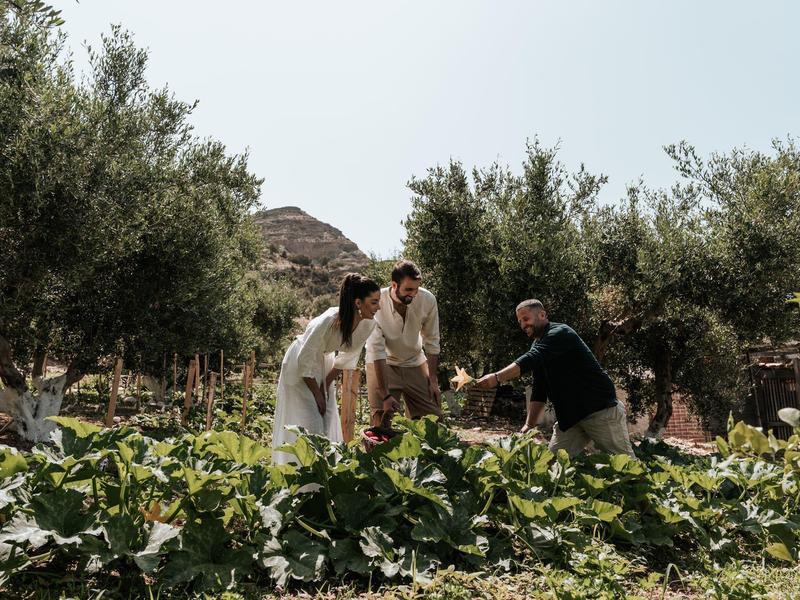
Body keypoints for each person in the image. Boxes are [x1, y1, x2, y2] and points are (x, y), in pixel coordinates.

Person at [475, 299, 635, 458]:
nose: (523, 325)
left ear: (542, 315)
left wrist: (497, 378)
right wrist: (529, 424)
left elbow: (530, 359)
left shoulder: (560, 333)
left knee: (628, 468)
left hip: (599, 411)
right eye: (519, 322)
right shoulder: (537, 345)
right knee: (552, 466)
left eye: (526, 319)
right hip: (571, 419)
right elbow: (539, 389)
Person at [272, 273, 381, 465]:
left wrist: (326, 384)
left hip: (323, 363)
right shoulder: (330, 319)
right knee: (309, 421)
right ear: (358, 302)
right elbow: (304, 358)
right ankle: (299, 475)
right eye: (373, 302)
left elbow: (347, 358)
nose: (378, 307)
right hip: (300, 366)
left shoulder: (368, 325)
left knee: (327, 416)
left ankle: (322, 477)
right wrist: (317, 393)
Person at [365, 259, 442, 428]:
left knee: (434, 421)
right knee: (380, 424)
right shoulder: (376, 302)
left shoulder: (428, 300)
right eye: (408, 289)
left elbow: (432, 341)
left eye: (416, 289)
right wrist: (385, 395)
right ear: (394, 285)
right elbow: (376, 350)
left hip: (415, 362)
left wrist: (433, 380)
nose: (413, 294)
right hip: (383, 364)